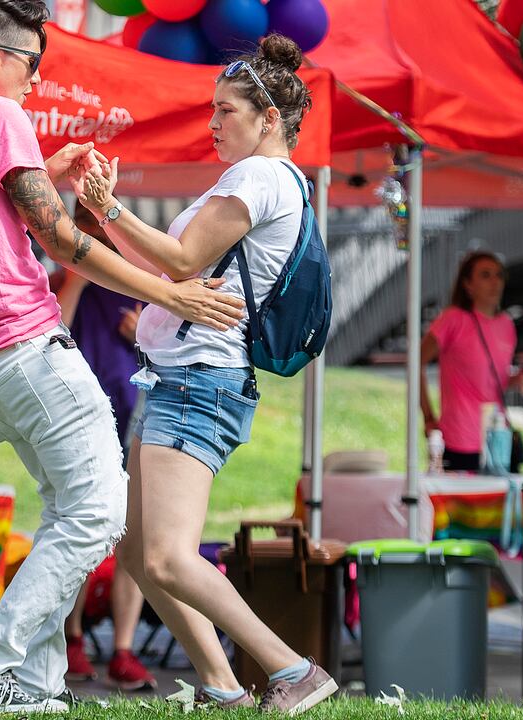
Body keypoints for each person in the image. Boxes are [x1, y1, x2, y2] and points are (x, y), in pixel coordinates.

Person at [0, 0, 243, 712]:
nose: (36, 83)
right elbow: (60, 241)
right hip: (23, 341)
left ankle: (34, 686)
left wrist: (42, 170)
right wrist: (174, 295)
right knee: (102, 510)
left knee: (66, 510)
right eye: (31, 65)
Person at [72, 34, 338, 714]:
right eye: (212, 110)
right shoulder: (274, 181)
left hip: (196, 381)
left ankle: (291, 670)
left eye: (226, 111)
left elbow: (183, 260)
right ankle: (224, 688)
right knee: (138, 556)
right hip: (179, 379)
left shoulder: (259, 177)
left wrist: (107, 206)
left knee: (164, 557)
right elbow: (183, 267)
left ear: (267, 118)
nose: (213, 124)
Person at [56, 204, 155, 692]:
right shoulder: (70, 270)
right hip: (82, 421)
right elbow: (53, 326)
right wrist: (76, 262)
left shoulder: (138, 273)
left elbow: (170, 340)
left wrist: (145, 336)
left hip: (136, 419)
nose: (98, 232)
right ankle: (71, 638)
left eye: (103, 220)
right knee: (82, 527)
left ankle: (123, 648)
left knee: (132, 533)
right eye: (87, 222)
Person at [420, 251, 523, 472]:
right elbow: (416, 363)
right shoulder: (453, 319)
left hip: (497, 436)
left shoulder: (506, 325)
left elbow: (493, 381)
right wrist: (428, 417)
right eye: (485, 275)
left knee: (500, 504)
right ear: (468, 285)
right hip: (459, 436)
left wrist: (519, 379)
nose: (494, 282)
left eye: (498, 275)